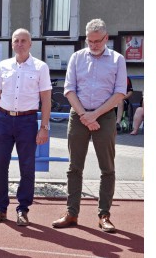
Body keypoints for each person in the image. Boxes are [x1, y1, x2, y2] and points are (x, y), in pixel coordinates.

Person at [52, 19, 127, 233]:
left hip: (104, 117)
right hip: (79, 115)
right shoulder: (77, 58)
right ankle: (71, 213)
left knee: (107, 168)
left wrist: (95, 114)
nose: (93, 45)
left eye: (97, 41)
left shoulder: (117, 59)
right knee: (74, 167)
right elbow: (69, 89)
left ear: (106, 38)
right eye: (89, 40)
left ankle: (104, 215)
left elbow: (120, 92)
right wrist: (85, 114)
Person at [0, 28, 52, 226]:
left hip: (27, 122)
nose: (20, 44)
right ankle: (0, 209)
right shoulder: (3, 65)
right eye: (16, 41)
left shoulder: (40, 67)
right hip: (4, 120)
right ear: (12, 44)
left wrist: (44, 127)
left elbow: (46, 99)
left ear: (30, 44)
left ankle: (23, 209)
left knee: (27, 168)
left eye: (24, 41)